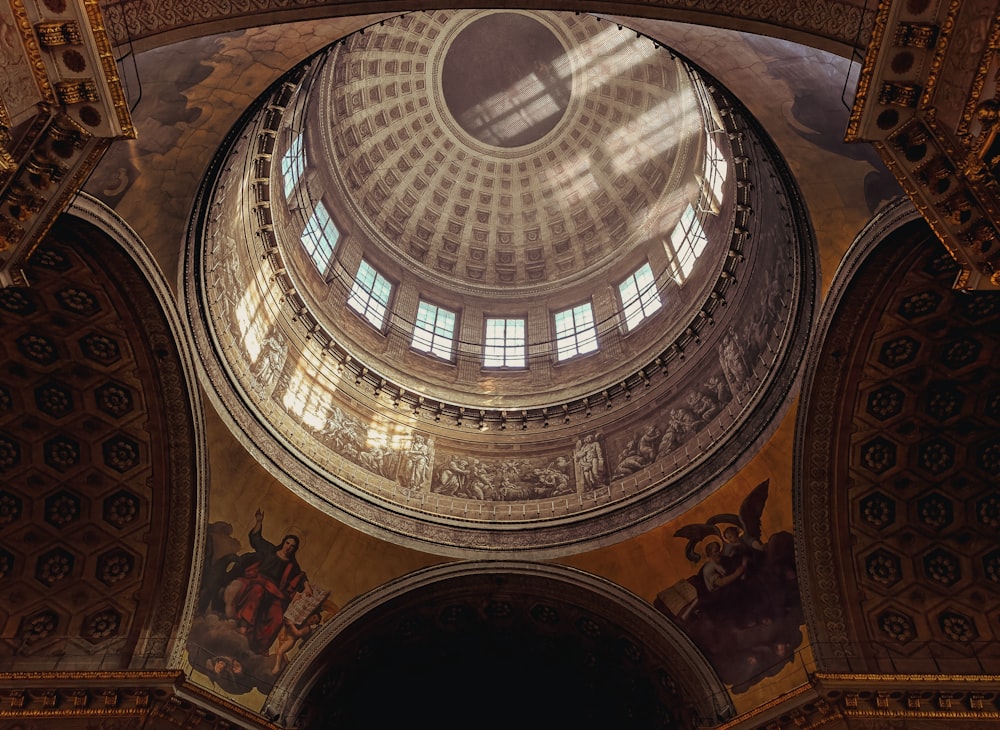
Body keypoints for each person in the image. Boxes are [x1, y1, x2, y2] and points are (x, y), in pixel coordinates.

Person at [226, 509, 312, 654]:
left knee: (277, 617)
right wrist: (259, 521)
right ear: (283, 542)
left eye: (292, 546)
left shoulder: (292, 565)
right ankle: (243, 628)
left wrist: (307, 587)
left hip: (274, 592)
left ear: (295, 549)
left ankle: (260, 648)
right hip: (258, 581)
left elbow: (301, 576)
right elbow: (256, 539)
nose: (289, 547)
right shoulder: (270, 550)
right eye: (288, 543)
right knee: (257, 592)